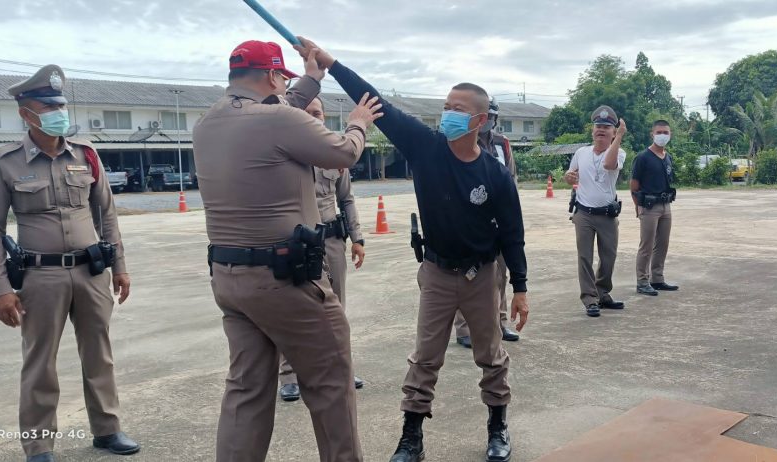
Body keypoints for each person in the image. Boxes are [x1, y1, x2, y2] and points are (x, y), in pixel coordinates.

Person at [294, 36, 530, 462]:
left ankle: (497, 426)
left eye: (458, 108)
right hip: (437, 273)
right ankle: (411, 438)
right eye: (446, 105)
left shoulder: (495, 175)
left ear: (479, 120)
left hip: (481, 275)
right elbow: (375, 101)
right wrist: (330, 63)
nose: (448, 113)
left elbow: (513, 234)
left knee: (491, 356)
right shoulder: (425, 147)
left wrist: (521, 288)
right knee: (425, 358)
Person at [192, 40, 382, 462]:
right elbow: (343, 153)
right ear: (272, 76)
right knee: (331, 382)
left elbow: (279, 112)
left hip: (230, 278)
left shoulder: (207, 123)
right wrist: (358, 123)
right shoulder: (277, 119)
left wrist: (312, 79)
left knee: (246, 390)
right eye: (283, 78)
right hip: (284, 278)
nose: (284, 86)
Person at [0, 64, 138, 462]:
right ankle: (38, 446)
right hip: (40, 277)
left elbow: (107, 215)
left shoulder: (86, 155)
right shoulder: (4, 161)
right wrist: (1, 289)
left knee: (99, 354)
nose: (58, 113)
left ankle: (108, 429)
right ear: (26, 114)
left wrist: (119, 266)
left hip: (90, 272)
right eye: (48, 107)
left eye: (61, 106)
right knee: (40, 363)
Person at [278, 96, 368, 402]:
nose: (313, 117)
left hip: (331, 240)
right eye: (306, 112)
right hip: (296, 242)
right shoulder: (283, 152)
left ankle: (340, 369)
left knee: (336, 310)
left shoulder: (335, 152)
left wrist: (357, 238)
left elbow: (347, 199)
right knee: (294, 309)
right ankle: (289, 375)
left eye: (317, 113)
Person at [454, 96, 520, 347]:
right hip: (467, 221)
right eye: (485, 116)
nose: (487, 121)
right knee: (465, 274)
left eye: (491, 117)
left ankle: (499, 322)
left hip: (497, 219)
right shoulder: (459, 142)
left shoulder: (503, 143)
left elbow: (511, 178)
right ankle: (464, 329)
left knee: (499, 274)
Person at [563, 106, 628, 317]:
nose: (601, 130)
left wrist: (619, 137)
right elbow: (570, 175)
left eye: (606, 128)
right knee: (585, 257)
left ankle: (603, 293)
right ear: (592, 130)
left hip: (607, 215)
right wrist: (569, 177)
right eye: (598, 126)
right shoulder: (581, 153)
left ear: (613, 132)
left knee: (608, 257)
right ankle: (590, 298)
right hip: (584, 213)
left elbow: (609, 165)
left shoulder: (619, 152)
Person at [630, 119, 680, 296]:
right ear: (652, 134)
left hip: (665, 205)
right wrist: (638, 207)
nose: (662, 135)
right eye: (659, 132)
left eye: (666, 132)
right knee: (647, 245)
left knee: (662, 244)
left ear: (670, 134)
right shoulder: (642, 157)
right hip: (649, 207)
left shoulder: (668, 157)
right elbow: (634, 186)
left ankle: (657, 279)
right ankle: (642, 281)